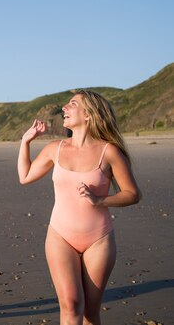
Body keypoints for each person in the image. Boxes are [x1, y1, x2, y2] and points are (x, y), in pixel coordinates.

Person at [17, 90, 141, 325]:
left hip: (99, 239)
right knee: (71, 305)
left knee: (90, 313)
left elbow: (132, 194)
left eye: (72, 104)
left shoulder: (109, 152)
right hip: (60, 236)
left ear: (89, 115)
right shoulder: (56, 148)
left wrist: (100, 200)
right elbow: (25, 176)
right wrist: (26, 141)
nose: (64, 107)